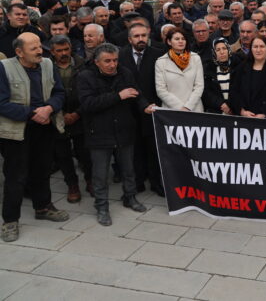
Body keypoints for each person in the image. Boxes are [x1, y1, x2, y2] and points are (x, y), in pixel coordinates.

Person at [0, 33, 69, 242]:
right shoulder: (4, 68)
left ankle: (43, 207)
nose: (40, 51)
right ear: (19, 52)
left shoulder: (48, 64)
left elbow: (59, 93)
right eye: (34, 49)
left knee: (42, 170)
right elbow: (2, 103)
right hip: (17, 132)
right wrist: (32, 114)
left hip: (45, 127)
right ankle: (10, 220)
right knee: (16, 176)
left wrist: (49, 109)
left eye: (40, 46)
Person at [77, 43, 154, 226]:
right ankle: (102, 206)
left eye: (115, 60)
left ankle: (130, 197)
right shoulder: (85, 77)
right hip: (99, 133)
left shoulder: (125, 73)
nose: (112, 65)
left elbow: (136, 93)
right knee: (100, 174)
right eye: (107, 61)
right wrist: (118, 96)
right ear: (97, 62)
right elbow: (88, 104)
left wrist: (145, 106)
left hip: (124, 129)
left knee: (128, 169)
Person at [118, 22, 165, 195]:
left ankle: (156, 182)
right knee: (134, 148)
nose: (141, 39)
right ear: (129, 39)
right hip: (129, 109)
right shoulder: (120, 55)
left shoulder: (158, 55)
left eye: (143, 35)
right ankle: (137, 182)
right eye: (136, 36)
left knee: (153, 148)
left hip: (152, 108)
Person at [48, 35, 90, 203]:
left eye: (66, 49)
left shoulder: (83, 64)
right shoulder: (46, 67)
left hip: (81, 115)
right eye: (59, 51)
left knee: (84, 152)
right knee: (63, 155)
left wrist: (77, 113)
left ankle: (90, 180)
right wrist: (61, 114)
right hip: (57, 117)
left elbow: (89, 91)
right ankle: (72, 185)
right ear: (52, 51)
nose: (63, 53)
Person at [230, 36, 266, 119]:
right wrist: (242, 111)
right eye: (255, 47)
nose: (258, 50)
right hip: (244, 118)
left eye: (262, 46)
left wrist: (264, 114)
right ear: (251, 49)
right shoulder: (242, 68)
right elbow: (234, 92)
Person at [155, 28, 204, 112]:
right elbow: (161, 90)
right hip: (171, 110)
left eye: (183, 39)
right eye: (177, 39)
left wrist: (188, 107)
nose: (181, 41)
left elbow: (199, 86)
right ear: (169, 42)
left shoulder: (195, 58)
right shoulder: (161, 62)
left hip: (194, 109)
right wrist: (180, 108)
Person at [202, 38, 233, 115]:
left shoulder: (238, 66)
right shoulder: (208, 69)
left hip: (235, 111)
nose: (222, 52)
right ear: (214, 53)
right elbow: (207, 92)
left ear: (229, 50)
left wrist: (231, 105)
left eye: (224, 48)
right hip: (216, 112)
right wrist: (221, 104)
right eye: (218, 50)